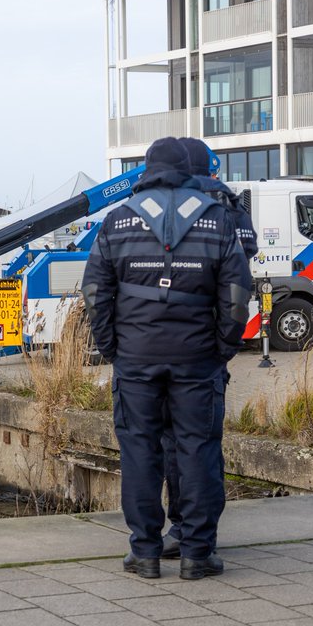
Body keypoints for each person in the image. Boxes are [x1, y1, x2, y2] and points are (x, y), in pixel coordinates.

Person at [80, 136, 252, 581]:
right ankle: (196, 553)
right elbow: (236, 295)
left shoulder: (117, 221)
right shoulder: (217, 218)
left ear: (147, 170)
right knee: (197, 448)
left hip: (136, 358)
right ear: (187, 170)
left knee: (139, 451)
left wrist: (111, 347)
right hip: (198, 359)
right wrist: (222, 346)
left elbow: (96, 292)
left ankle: (145, 552)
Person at [155, 137, 260, 560]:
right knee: (202, 442)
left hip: (162, 343)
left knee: (169, 443)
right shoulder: (227, 202)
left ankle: (178, 525)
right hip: (207, 346)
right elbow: (243, 261)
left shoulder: (169, 202)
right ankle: (200, 534)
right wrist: (224, 345)